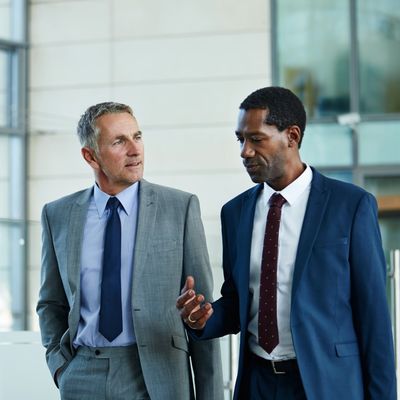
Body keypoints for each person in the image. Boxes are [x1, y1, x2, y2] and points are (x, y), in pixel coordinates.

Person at [177, 87, 396, 399]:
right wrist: (203, 318)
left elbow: (374, 319)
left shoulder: (351, 206)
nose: (244, 151)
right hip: (257, 385)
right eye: (240, 139)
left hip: (326, 385)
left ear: (292, 136)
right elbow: (239, 300)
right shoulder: (235, 213)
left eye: (256, 139)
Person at [37, 102, 224, 400]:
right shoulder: (57, 215)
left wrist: (211, 395)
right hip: (83, 374)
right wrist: (60, 367)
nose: (135, 150)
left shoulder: (180, 208)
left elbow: (203, 311)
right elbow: (50, 303)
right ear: (91, 156)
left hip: (159, 375)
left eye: (137, 137)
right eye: (119, 141)